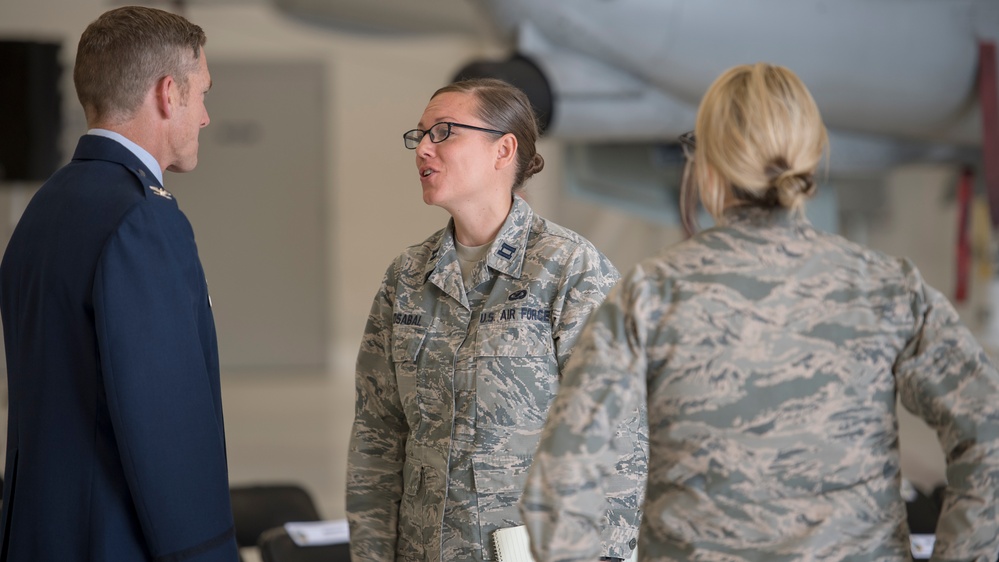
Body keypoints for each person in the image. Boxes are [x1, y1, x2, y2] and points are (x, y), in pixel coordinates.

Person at [520, 62, 999, 561]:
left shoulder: (650, 295)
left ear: (705, 164)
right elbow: (988, 431)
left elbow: (562, 479)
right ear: (812, 158)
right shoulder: (889, 290)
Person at [346, 78, 647, 562]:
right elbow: (378, 436)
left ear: (503, 150)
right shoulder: (407, 276)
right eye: (420, 135)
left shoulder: (567, 268)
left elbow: (620, 438)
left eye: (444, 132)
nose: (423, 148)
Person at [0, 6, 238, 562]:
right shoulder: (143, 220)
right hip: (113, 541)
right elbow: (167, 422)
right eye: (201, 93)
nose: (204, 116)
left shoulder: (46, 206)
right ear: (166, 94)